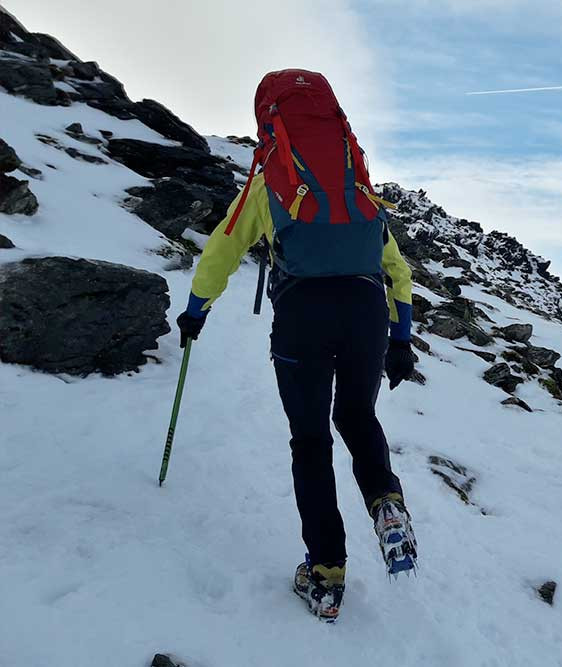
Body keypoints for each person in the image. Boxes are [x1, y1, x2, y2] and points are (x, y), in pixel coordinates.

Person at [175, 69, 417, 623]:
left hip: (303, 317)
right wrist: (399, 338)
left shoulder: (272, 182)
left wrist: (195, 311)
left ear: (270, 122)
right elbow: (395, 269)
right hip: (365, 314)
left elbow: (223, 249)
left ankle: (327, 574)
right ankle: (386, 502)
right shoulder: (356, 185)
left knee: (310, 441)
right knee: (358, 418)